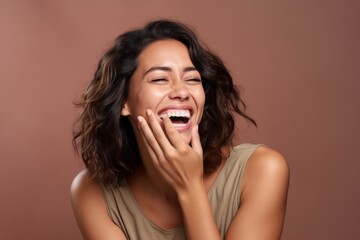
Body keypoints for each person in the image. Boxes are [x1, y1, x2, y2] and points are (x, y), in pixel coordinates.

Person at [70, 19, 289, 240]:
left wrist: (189, 188)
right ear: (123, 102)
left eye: (193, 79)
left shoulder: (263, 170)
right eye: (159, 79)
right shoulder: (91, 192)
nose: (182, 91)